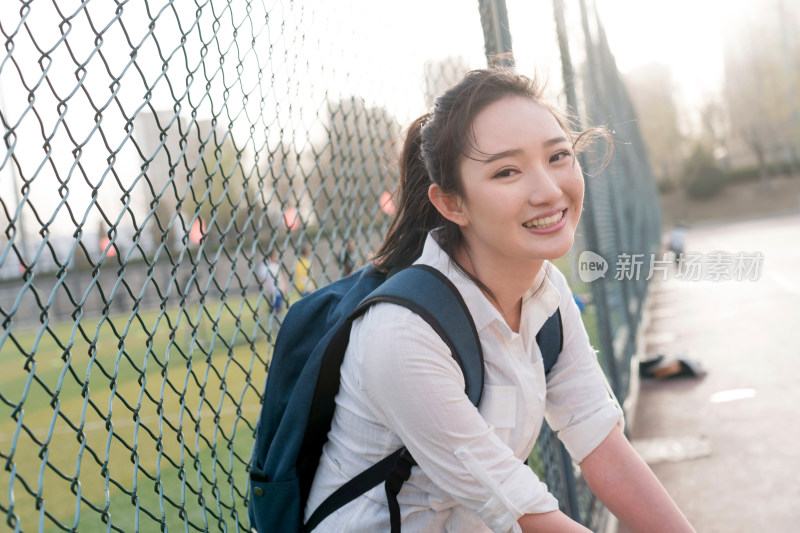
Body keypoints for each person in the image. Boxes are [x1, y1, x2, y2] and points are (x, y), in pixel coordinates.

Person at [304, 69, 694, 532]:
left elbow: (599, 441)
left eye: (558, 156)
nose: (549, 191)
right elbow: (524, 512)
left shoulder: (545, 293)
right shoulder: (402, 333)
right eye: (507, 171)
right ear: (453, 204)